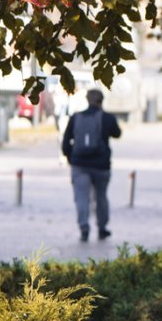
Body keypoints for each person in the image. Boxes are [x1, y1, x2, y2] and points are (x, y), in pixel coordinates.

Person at [61, 88, 122, 242]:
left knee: (81, 198)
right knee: (101, 197)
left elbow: (66, 141)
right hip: (101, 166)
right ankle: (102, 228)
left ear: (87, 100)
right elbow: (117, 133)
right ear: (102, 101)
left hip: (79, 164)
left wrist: (70, 158)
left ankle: (84, 228)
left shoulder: (76, 117)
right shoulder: (107, 118)